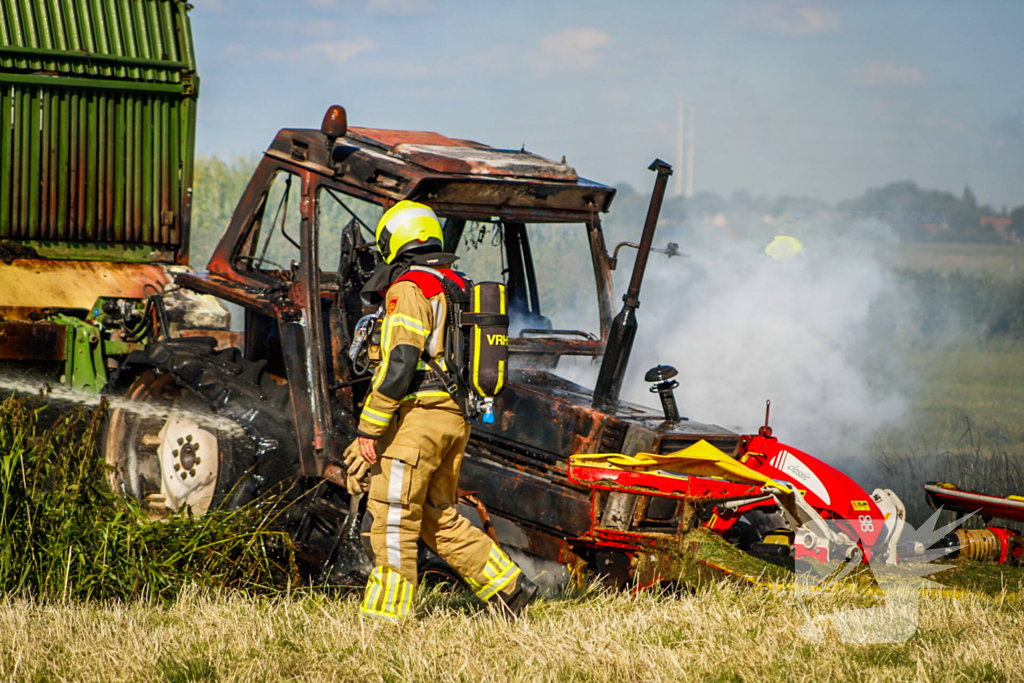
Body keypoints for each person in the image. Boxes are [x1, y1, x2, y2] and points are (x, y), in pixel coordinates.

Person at [344, 200, 538, 623]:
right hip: (453, 418)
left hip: (418, 418)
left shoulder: (409, 289)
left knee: (393, 516)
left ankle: (385, 614)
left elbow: (400, 363)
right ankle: (508, 588)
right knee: (435, 514)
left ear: (393, 241)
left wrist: (369, 428)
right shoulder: (456, 285)